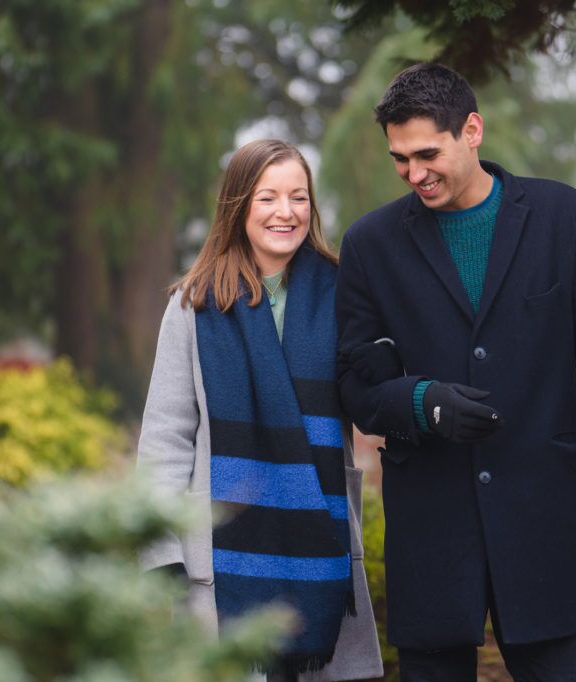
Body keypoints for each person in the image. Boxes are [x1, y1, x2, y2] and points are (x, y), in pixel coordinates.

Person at [335, 63, 576, 681]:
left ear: (473, 130)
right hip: (431, 527)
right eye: (399, 159)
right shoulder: (369, 244)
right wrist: (422, 402)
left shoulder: (566, 217)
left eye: (428, 153)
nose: (414, 174)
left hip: (545, 512)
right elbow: (356, 384)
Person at [137, 139, 383, 681]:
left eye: (299, 197)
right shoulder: (192, 306)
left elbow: (374, 397)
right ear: (238, 204)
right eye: (268, 197)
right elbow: (165, 438)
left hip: (323, 550)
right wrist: (160, 555)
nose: (286, 212)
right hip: (221, 556)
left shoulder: (344, 294)